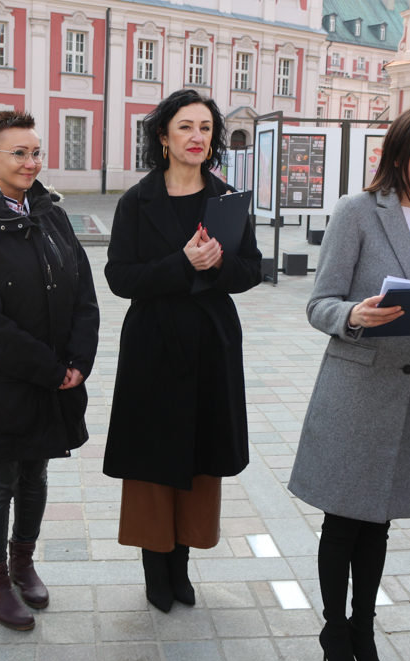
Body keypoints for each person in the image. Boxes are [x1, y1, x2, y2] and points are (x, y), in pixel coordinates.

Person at [287, 102, 410, 661]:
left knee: (380, 524)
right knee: (342, 521)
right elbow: (319, 303)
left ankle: (363, 630)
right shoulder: (357, 211)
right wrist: (353, 316)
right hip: (355, 388)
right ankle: (334, 633)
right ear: (397, 153)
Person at [102, 89, 262, 613]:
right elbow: (119, 278)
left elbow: (251, 271)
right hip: (153, 343)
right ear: (164, 137)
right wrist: (183, 264)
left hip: (210, 342)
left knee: (199, 454)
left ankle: (183, 565)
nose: (198, 137)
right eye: (186, 127)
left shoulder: (229, 199)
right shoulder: (136, 200)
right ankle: (155, 568)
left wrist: (218, 265)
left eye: (206, 128)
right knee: (153, 456)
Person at [0, 110, 99, 631]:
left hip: (56, 375)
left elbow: (83, 292)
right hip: (3, 378)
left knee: (36, 472)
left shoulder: (50, 212)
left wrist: (78, 361)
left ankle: (23, 562)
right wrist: (49, 369)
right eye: (19, 153)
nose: (31, 162)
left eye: (36, 152)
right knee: (0, 479)